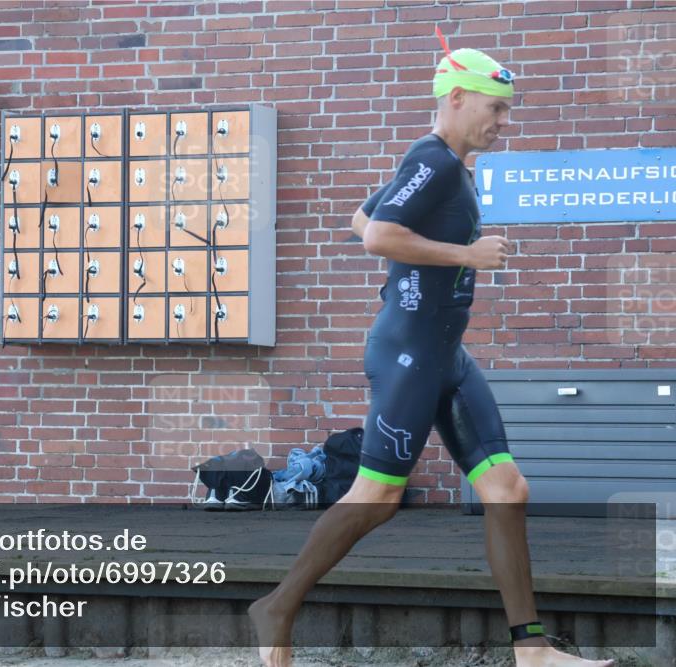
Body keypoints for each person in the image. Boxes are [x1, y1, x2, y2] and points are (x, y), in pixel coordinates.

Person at [248, 34, 615, 667]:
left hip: (446, 354)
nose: (504, 122)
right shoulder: (436, 161)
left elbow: (363, 217)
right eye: (496, 108)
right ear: (458, 98)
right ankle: (276, 608)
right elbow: (378, 236)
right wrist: (464, 254)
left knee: (507, 489)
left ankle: (532, 650)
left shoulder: (444, 165)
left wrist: (417, 261)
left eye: (507, 110)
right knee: (378, 497)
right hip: (410, 355)